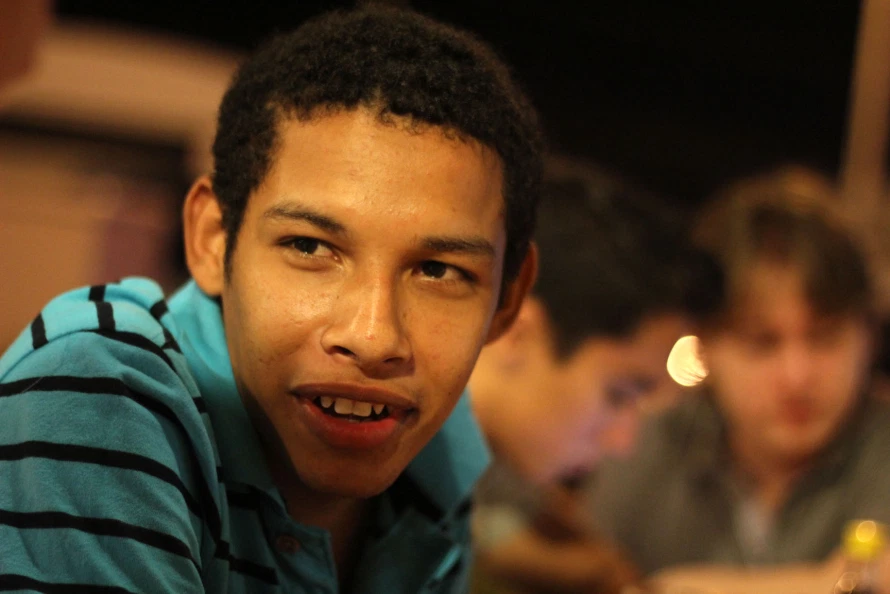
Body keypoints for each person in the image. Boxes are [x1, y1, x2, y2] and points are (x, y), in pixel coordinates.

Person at [0, 6, 543, 593]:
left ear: (508, 298)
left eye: (438, 271)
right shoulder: (102, 389)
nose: (373, 337)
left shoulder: (440, 455)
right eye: (309, 246)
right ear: (213, 239)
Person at [588, 168, 890, 594]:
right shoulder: (645, 447)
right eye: (762, 343)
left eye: (825, 338)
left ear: (869, 336)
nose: (797, 376)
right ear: (705, 343)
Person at [468, 161, 719, 594]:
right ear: (515, 334)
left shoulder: (468, 482)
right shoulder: (376, 485)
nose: (623, 442)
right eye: (618, 396)